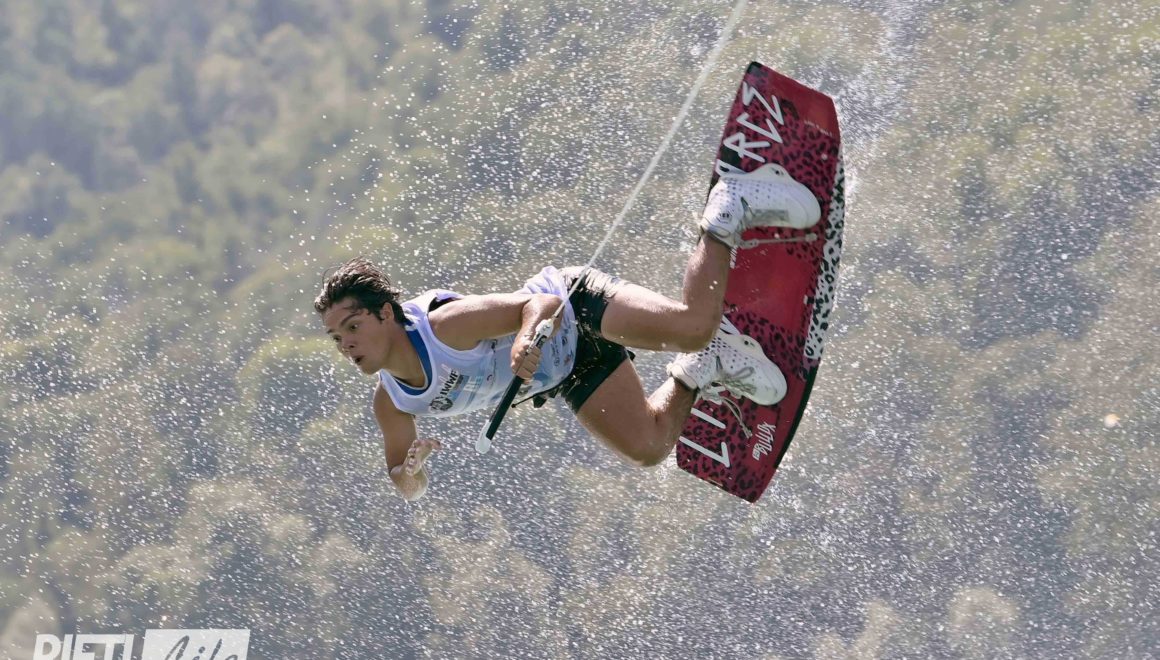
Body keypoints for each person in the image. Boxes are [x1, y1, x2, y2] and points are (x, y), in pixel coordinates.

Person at [315, 164, 821, 500]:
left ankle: (730, 205)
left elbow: (541, 304)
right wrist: (412, 471)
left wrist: (524, 339)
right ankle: (703, 366)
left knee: (691, 325)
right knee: (648, 447)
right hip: (568, 368)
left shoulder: (446, 327)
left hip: (576, 306)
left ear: (386, 314)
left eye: (352, 326)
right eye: (337, 338)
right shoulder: (392, 403)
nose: (346, 344)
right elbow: (406, 484)